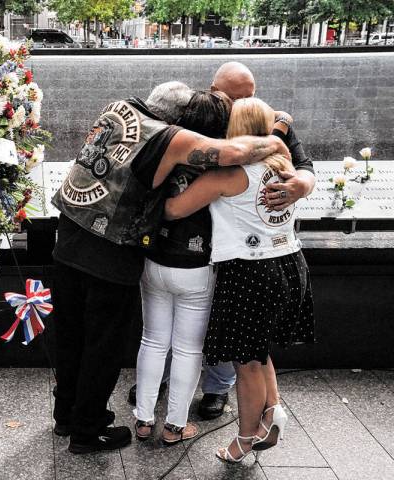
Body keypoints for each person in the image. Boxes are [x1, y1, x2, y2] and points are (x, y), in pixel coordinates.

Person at [51, 80, 290, 454]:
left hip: (67, 237)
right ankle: (88, 430)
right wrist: (276, 141)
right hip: (109, 255)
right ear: (177, 120)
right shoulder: (172, 138)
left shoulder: (120, 107)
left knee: (70, 337)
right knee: (103, 345)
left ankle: (65, 416)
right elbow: (230, 153)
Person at [126, 62, 315, 419]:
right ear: (214, 90)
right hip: (196, 247)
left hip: (235, 251)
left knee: (221, 328)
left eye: (249, 95)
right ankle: (162, 385)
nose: (241, 103)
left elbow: (305, 166)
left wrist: (299, 186)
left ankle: (216, 389)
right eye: (234, 97)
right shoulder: (199, 115)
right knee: (186, 332)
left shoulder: (267, 120)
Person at [164, 97, 315, 463]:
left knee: (245, 363)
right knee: (259, 349)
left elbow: (174, 209)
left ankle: (244, 441)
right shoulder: (284, 165)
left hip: (250, 272)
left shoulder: (228, 175)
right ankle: (272, 412)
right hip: (290, 263)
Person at [133, 91, 232, 444]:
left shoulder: (167, 148)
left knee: (152, 340)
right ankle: (175, 426)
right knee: (189, 348)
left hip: (155, 259)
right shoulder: (223, 166)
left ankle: (143, 420)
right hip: (196, 267)